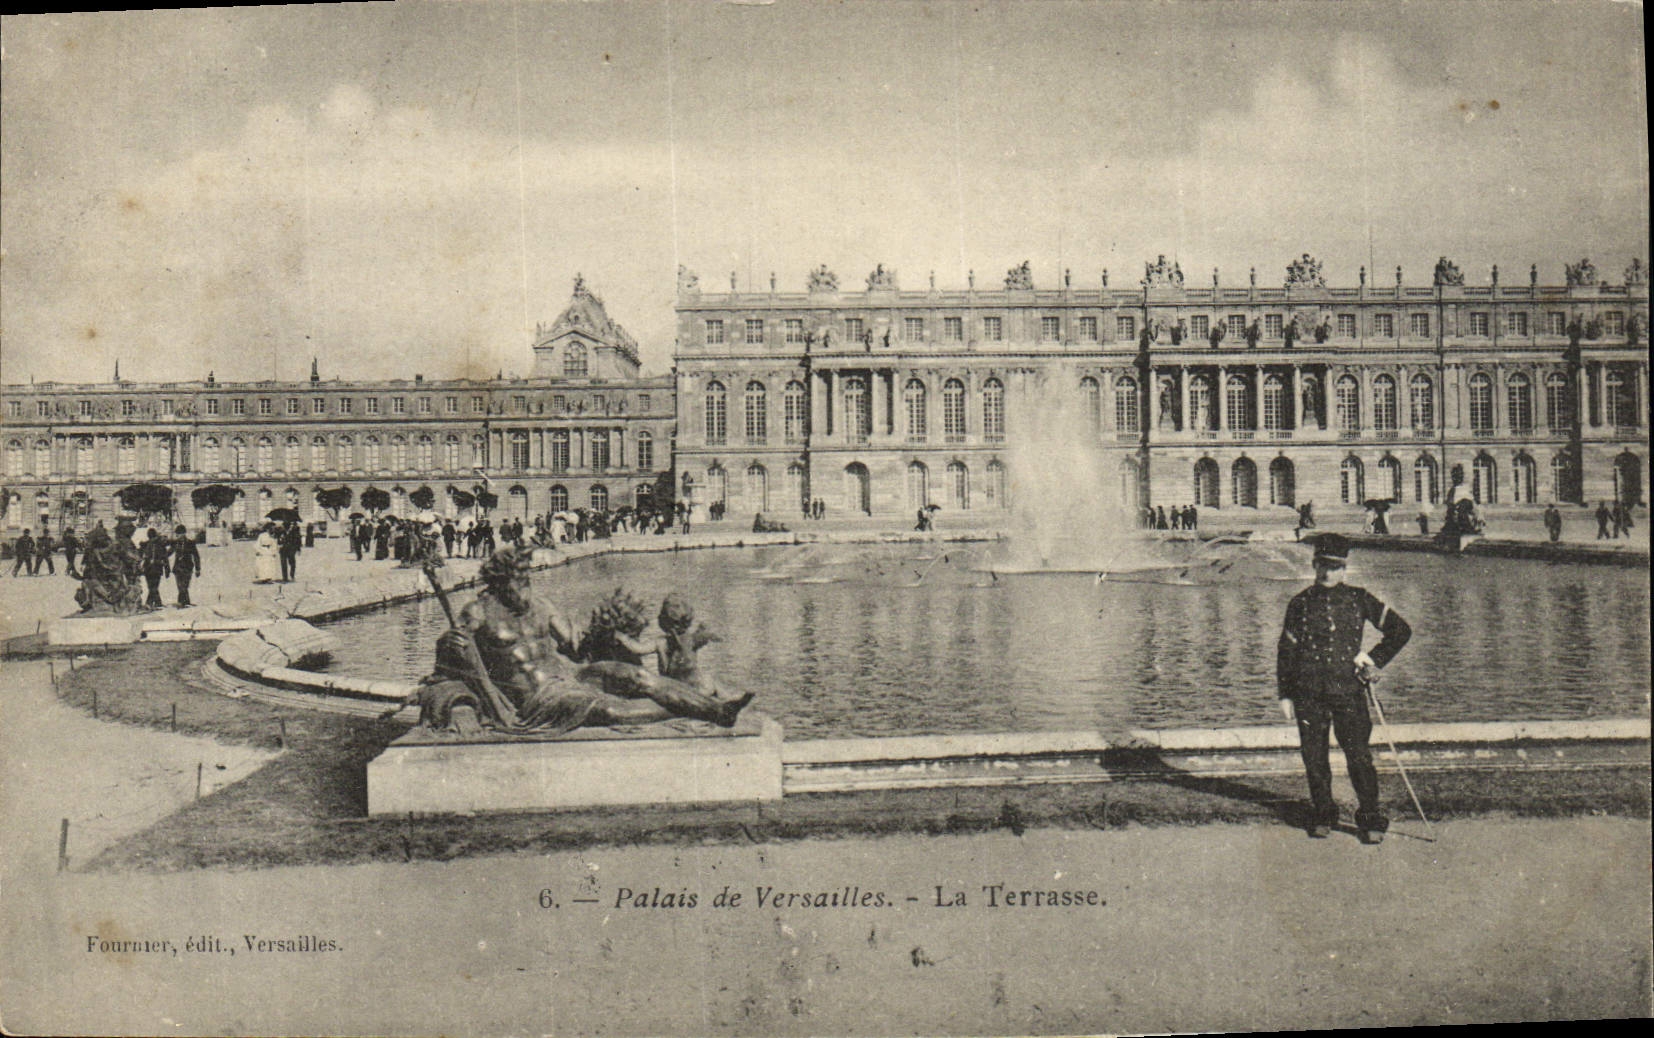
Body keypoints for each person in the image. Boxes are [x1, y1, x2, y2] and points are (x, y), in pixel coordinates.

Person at [422, 549, 752, 735]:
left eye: (527, 581)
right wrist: (447, 644)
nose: (525, 590)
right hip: (539, 698)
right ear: (499, 583)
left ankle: (717, 710)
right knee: (610, 709)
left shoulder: (542, 605)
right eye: (518, 584)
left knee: (633, 676)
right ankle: (692, 708)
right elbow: (451, 659)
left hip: (570, 677)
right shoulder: (478, 612)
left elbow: (576, 648)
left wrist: (607, 632)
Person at [1277, 533, 1412, 844]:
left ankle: (1370, 818)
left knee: (1359, 757)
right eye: (1322, 566)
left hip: (1348, 692)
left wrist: (1372, 658)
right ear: (1313, 565)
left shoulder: (1359, 598)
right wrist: (1285, 693)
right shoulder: (1299, 603)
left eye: (1335, 567)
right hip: (1308, 692)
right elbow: (1286, 650)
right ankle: (1323, 814)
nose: (1327, 573)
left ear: (1344, 569)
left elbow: (1400, 630)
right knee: (1314, 758)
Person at [170, 525, 202, 606]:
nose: (177, 536)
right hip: (177, 568)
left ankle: (182, 603)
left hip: (187, 568)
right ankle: (184, 602)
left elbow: (196, 556)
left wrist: (198, 569)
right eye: (177, 534)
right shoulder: (175, 543)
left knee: (184, 586)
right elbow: (169, 552)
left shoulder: (190, 543)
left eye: (179, 534)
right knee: (180, 587)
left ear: (184, 533)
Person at [140, 528, 170, 608]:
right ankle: (157, 603)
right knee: (152, 587)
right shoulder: (147, 545)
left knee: (153, 587)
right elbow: (165, 558)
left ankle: (150, 603)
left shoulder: (159, 545)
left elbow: (165, 558)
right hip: (151, 569)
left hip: (153, 569)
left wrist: (167, 570)